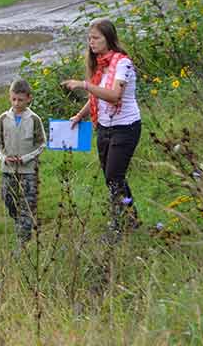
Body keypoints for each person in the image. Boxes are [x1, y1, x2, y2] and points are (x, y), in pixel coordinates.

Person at [62, 18, 142, 239]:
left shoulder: (122, 63)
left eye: (96, 38)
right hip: (104, 127)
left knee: (114, 176)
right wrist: (80, 115)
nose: (91, 42)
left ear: (109, 38)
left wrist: (84, 84)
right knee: (112, 178)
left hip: (126, 127)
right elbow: (97, 96)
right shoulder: (100, 65)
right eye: (89, 38)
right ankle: (132, 218)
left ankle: (117, 226)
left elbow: (114, 95)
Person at [0, 78, 46, 244]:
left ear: (29, 98)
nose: (16, 103)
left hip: (28, 170)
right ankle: (19, 222)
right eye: (13, 99)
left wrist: (25, 158)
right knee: (9, 199)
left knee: (27, 204)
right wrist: (3, 157)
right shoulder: (4, 118)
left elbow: (42, 143)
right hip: (8, 169)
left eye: (20, 100)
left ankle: (24, 241)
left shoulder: (34, 119)